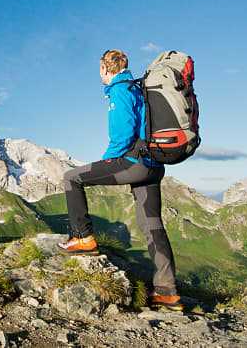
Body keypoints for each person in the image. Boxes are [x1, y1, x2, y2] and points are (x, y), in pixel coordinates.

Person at [56, 49, 182, 311]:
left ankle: (83, 238)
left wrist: (108, 161)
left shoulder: (119, 90)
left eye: (99, 70)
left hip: (134, 162)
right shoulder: (137, 88)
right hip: (154, 164)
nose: (99, 74)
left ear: (105, 69)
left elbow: (123, 131)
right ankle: (167, 291)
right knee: (151, 223)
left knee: (72, 178)